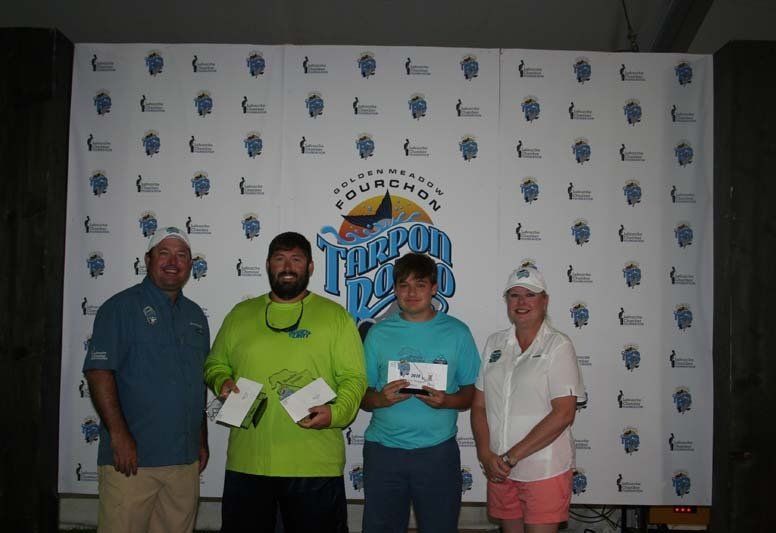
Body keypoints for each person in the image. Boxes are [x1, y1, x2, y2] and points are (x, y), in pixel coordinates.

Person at [204, 232, 366, 533]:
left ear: (310, 267)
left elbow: (354, 378)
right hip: (248, 463)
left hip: (314, 465)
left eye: (296, 259)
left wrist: (337, 413)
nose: (287, 266)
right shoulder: (240, 314)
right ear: (268, 265)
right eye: (279, 259)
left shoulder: (335, 317)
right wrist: (221, 381)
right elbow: (215, 363)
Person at [83, 226, 209, 533]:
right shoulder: (120, 308)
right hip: (133, 460)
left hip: (183, 461)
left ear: (191, 265)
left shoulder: (196, 316)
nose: (172, 261)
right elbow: (99, 372)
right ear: (147, 259)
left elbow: (196, 381)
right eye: (163, 253)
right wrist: (119, 436)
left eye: (182, 255)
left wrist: (201, 439)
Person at [360, 252, 480, 533]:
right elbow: (362, 396)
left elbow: (471, 393)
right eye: (404, 285)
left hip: (437, 453)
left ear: (434, 288)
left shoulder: (457, 332)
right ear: (395, 290)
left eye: (420, 284)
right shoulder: (378, 333)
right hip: (384, 453)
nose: (411, 292)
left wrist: (447, 401)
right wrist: (380, 398)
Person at [471, 263, 585, 533]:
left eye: (530, 294)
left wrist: (511, 457)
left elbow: (563, 414)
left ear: (544, 300)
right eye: (514, 295)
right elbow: (479, 406)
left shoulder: (558, 345)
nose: (521, 302)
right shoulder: (494, 344)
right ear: (506, 301)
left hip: (543, 469)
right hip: (500, 470)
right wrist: (486, 454)